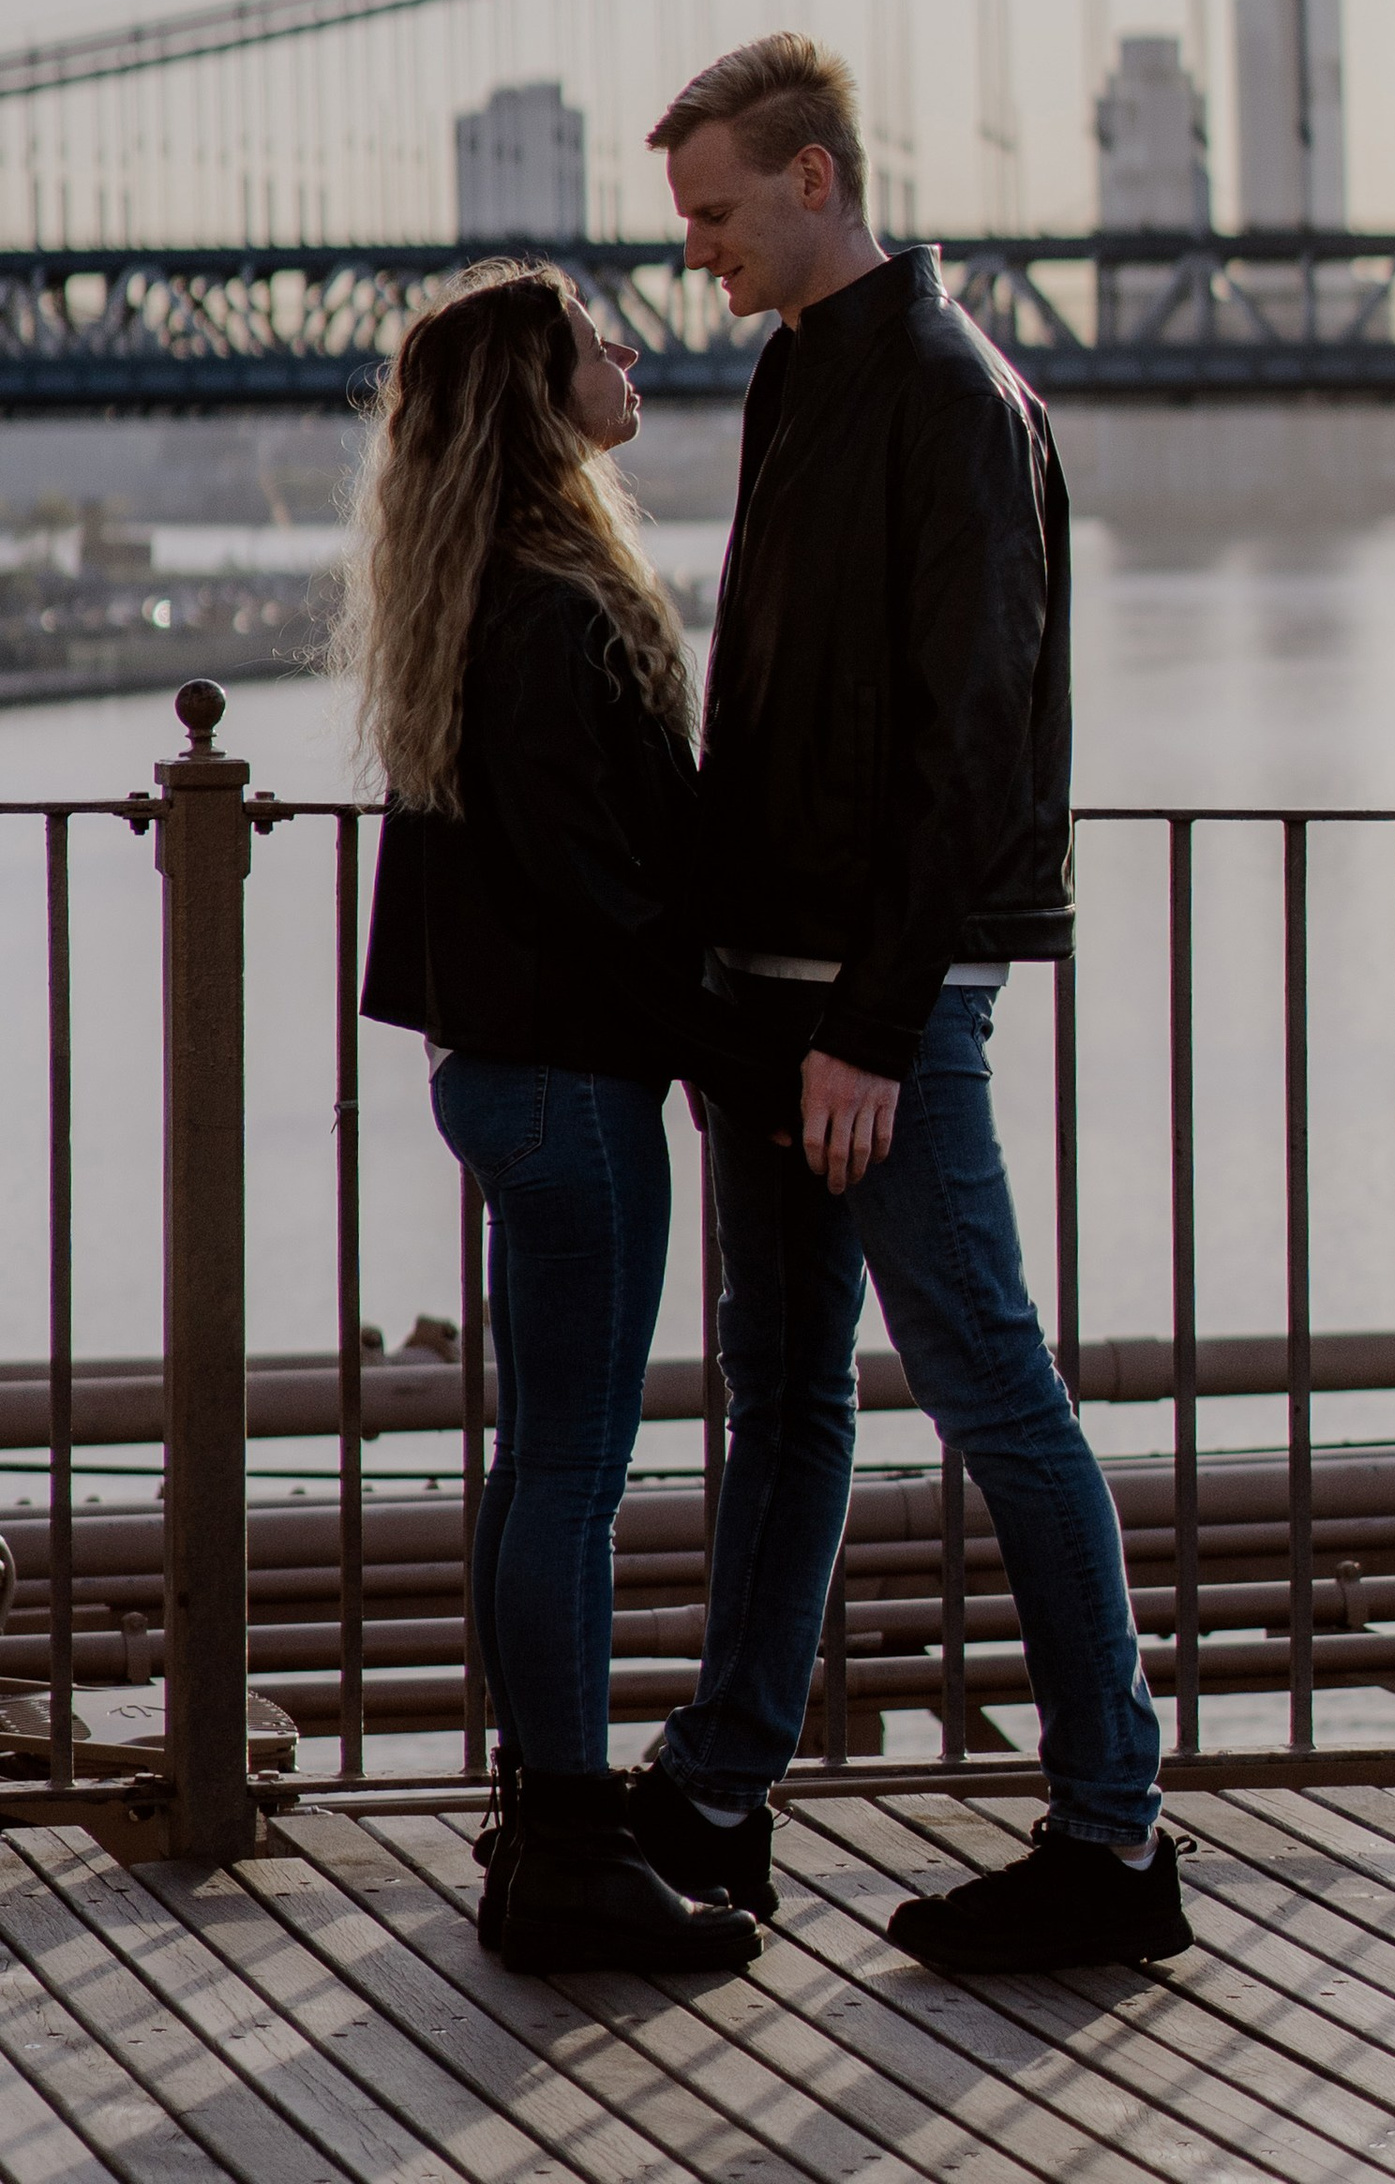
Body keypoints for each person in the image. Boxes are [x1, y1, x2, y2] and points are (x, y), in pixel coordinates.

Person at [622, 31, 1188, 1976]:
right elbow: (763, 719)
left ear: (811, 176)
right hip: (767, 1002)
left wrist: (869, 1019)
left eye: (710, 211)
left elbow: (965, 740)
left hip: (883, 1020)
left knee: (993, 1397)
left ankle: (1112, 1839)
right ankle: (715, 1794)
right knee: (780, 1404)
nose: (692, 251)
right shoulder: (798, 377)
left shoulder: (955, 397)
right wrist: (718, 989)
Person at [352, 261, 785, 1978]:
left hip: (513, 1073)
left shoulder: (490, 591)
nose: (624, 351)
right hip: (570, 1082)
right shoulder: (551, 605)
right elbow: (600, 882)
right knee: (575, 1481)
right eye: (591, 341)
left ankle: (545, 1830)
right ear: (540, 400)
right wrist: (728, 1050)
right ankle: (575, 1856)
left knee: (541, 1464)